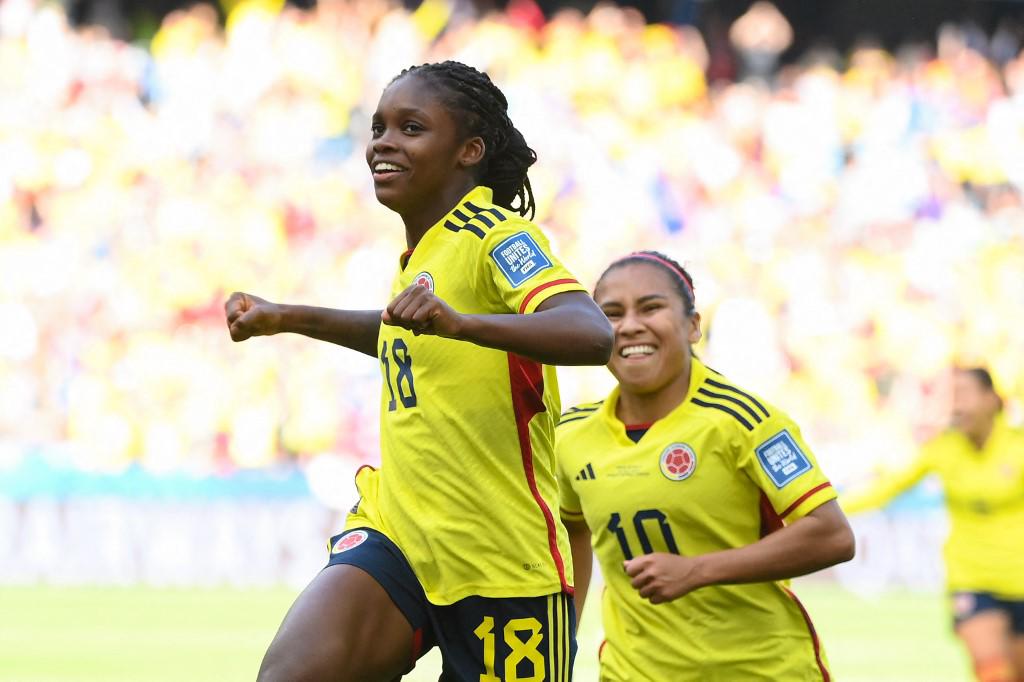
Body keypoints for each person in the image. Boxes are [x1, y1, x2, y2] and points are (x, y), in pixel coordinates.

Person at [224, 61, 613, 682]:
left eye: (410, 128)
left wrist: (462, 323)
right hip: (401, 531)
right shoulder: (424, 252)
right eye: (378, 127)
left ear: (468, 151)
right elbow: (403, 337)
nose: (383, 141)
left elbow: (592, 332)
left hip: (500, 559)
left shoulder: (495, 235)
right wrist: (288, 317)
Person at [556, 250, 855, 681]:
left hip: (756, 670)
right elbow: (573, 531)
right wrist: (564, 638)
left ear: (693, 326)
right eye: (612, 313)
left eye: (651, 307)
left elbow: (832, 535)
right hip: (632, 671)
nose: (630, 325)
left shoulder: (743, 420)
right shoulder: (573, 432)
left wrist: (697, 570)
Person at [843, 368, 1024, 682]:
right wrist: (815, 510)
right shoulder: (943, 447)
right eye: (951, 397)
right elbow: (888, 487)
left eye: (964, 394)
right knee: (994, 672)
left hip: (1019, 576)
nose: (955, 405)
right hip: (972, 577)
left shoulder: (1017, 444)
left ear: (992, 400)